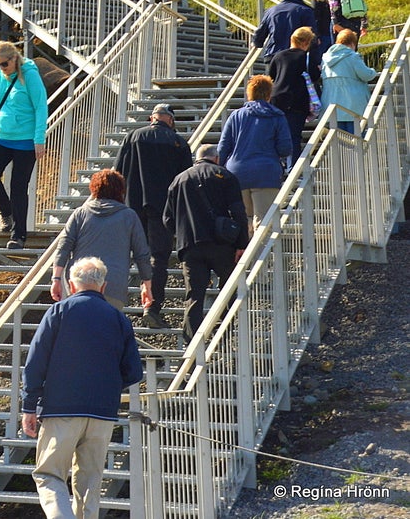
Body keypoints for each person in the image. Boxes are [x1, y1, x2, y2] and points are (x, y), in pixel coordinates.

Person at [21, 256, 142, 519]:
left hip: (60, 409)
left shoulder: (58, 312)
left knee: (48, 474)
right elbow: (134, 371)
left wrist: (29, 406)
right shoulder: (119, 319)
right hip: (102, 412)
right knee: (89, 485)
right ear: (103, 285)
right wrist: (107, 385)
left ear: (72, 286)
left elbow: (35, 362)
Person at [115, 102, 192, 329]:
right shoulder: (179, 142)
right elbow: (185, 182)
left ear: (152, 118)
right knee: (158, 258)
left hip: (132, 208)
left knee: (124, 256)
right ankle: (152, 306)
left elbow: (117, 172)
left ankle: (112, 307)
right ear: (170, 120)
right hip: (164, 210)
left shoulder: (132, 137)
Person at [164, 145, 249, 344]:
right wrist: (241, 244)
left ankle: (192, 345)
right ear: (216, 158)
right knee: (228, 292)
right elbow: (239, 213)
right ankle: (224, 336)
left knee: (193, 297)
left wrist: (181, 235)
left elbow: (167, 219)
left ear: (197, 158)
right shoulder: (225, 176)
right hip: (223, 245)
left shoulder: (179, 180)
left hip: (191, 247)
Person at [51, 169, 153, 311]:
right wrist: (146, 285)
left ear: (93, 189)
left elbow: (64, 247)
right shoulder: (129, 216)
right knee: (106, 330)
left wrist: (56, 279)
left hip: (80, 283)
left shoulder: (80, 213)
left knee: (81, 331)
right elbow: (142, 254)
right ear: (121, 190)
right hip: (114, 285)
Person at [0, 41, 48, 250]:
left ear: (14, 59)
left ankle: (18, 235)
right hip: (0, 136)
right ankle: (6, 211)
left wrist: (39, 139)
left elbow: (40, 107)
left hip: (25, 140)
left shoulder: (30, 76)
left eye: (4, 64)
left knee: (18, 187)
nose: (1, 68)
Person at [218, 75, 292, 232]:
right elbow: (285, 148)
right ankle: (261, 256)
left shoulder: (235, 115)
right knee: (264, 223)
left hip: (237, 174)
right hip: (266, 173)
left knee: (242, 222)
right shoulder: (277, 116)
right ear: (269, 94)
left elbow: (223, 148)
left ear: (249, 93)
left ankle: (245, 255)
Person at [268, 26, 320, 168]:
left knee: (276, 136)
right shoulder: (306, 58)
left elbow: (271, 75)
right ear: (306, 43)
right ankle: (293, 169)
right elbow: (315, 76)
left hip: (277, 100)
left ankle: (277, 166)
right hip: (296, 101)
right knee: (293, 136)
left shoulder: (278, 56)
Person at [320, 29, 378, 134]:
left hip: (331, 108)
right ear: (352, 43)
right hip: (353, 107)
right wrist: (373, 71)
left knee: (339, 144)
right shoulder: (352, 57)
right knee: (357, 142)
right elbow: (366, 75)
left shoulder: (325, 59)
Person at [252, 0, 316, 64]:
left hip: (273, 55)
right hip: (295, 56)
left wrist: (256, 43)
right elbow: (312, 35)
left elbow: (260, 34)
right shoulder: (306, 11)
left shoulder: (270, 11)